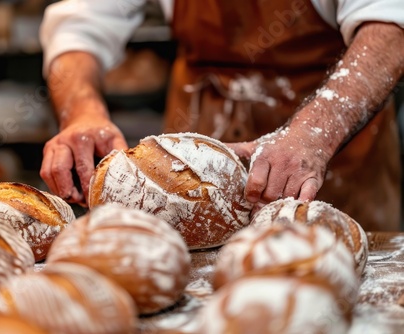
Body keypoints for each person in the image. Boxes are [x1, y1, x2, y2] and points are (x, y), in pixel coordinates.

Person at [39, 0, 404, 231]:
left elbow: (390, 24)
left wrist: (316, 133)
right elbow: (79, 28)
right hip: (198, 139)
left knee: (329, 279)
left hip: (331, 140)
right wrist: (82, 112)